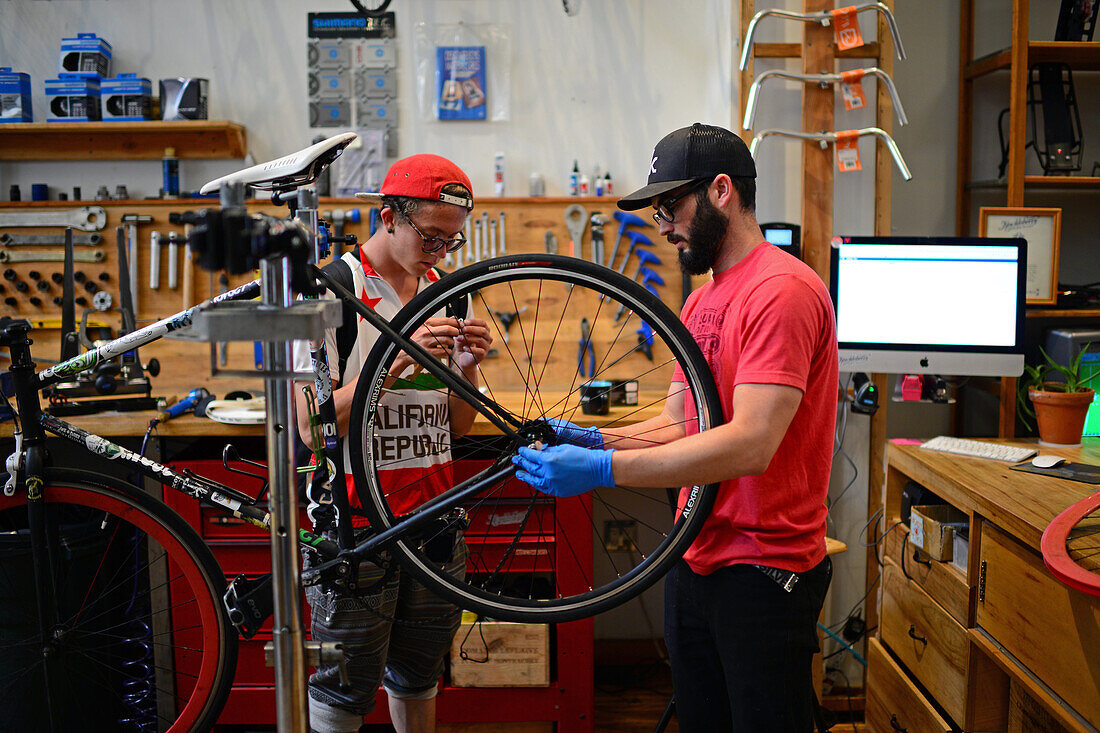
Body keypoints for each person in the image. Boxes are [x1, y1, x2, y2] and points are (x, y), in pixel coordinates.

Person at [514, 123, 838, 732]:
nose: (662, 225)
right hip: (695, 556)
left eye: (670, 206)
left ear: (720, 191)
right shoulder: (701, 299)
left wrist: (604, 470)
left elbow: (751, 443)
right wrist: (594, 438)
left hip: (764, 569)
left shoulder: (782, 291)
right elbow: (677, 422)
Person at [293, 153, 493, 733]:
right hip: (355, 525)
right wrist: (398, 359)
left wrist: (467, 369)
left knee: (418, 674)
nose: (440, 253)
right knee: (342, 689)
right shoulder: (329, 293)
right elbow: (311, 428)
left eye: (451, 242)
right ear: (388, 217)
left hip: (433, 519)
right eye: (431, 237)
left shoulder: (450, 294)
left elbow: (456, 429)